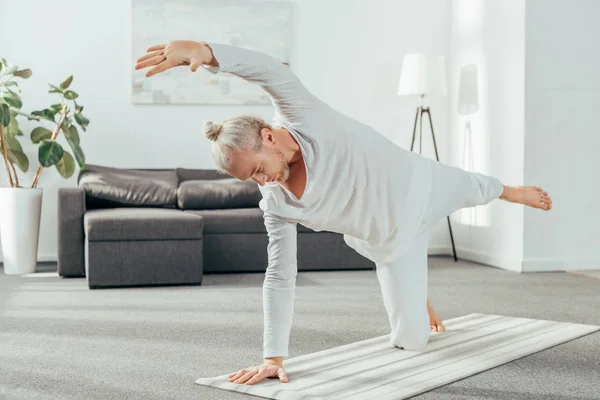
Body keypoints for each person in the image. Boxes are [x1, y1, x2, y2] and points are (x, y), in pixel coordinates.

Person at [135, 40, 552, 386]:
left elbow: (267, 70)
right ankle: (416, 287)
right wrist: (273, 357)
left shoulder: (304, 116)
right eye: (252, 180)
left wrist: (207, 53)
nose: (262, 182)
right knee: (412, 341)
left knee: (475, 187)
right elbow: (280, 274)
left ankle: (512, 191)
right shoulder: (276, 203)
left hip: (422, 185)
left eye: (259, 169)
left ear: (268, 136)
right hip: (390, 242)